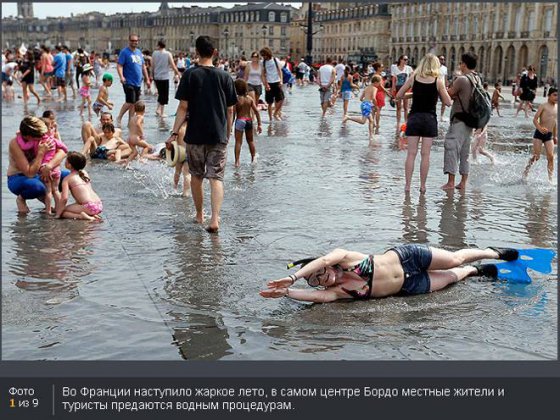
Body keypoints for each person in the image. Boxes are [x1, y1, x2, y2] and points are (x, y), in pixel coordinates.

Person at [260, 246, 519, 302]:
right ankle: (476, 270)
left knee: (453, 259)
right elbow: (316, 298)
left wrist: (293, 276)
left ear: (323, 266)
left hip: (408, 257)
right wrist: (287, 292)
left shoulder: (344, 257)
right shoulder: (338, 292)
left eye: (318, 272)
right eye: (315, 281)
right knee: (454, 276)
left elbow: (326, 257)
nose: (320, 279)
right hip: (409, 286)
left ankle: (491, 253)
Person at [167, 35, 237, 233]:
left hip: (195, 134)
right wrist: (228, 132)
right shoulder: (225, 76)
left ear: (196, 52)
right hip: (218, 134)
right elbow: (231, 109)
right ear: (215, 52)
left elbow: (182, 107)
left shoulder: (190, 75)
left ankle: (199, 215)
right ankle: (215, 219)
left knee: (196, 176)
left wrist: (174, 132)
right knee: (216, 177)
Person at [396, 54, 452, 193]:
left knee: (411, 154)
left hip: (414, 118)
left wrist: (414, 94)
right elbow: (448, 102)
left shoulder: (414, 78)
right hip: (429, 119)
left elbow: (399, 95)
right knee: (425, 155)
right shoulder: (438, 81)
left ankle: (407, 186)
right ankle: (422, 186)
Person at [7, 116, 69, 214]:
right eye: (40, 135)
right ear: (29, 137)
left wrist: (49, 166)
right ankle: (21, 199)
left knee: (69, 176)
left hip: (41, 172)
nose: (44, 136)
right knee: (38, 188)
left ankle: (70, 206)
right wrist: (40, 153)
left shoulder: (43, 137)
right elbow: (29, 173)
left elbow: (63, 152)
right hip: (18, 177)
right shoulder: (15, 143)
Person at [441, 51, 479, 190]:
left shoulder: (462, 79)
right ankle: (463, 182)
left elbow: (448, 95)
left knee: (451, 147)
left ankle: (450, 182)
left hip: (459, 119)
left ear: (464, 64)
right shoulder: (477, 78)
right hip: (471, 121)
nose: (460, 65)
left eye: (461, 63)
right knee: (465, 152)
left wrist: (443, 85)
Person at [56, 152, 103, 221]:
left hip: (89, 207)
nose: (64, 162)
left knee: (62, 211)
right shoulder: (84, 173)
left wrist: (58, 214)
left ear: (69, 165)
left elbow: (64, 199)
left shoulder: (67, 179)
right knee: (69, 207)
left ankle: (82, 216)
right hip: (99, 204)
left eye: (66, 161)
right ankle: (91, 214)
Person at [523, 88, 558, 182]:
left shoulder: (557, 107)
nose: (556, 97)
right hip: (539, 134)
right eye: (554, 95)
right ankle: (526, 171)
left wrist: (555, 136)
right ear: (549, 96)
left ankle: (550, 179)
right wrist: (540, 128)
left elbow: (555, 123)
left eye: (557, 95)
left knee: (550, 157)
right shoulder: (543, 106)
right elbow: (534, 119)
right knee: (536, 157)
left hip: (549, 135)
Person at [116, 34, 151, 126]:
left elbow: (143, 67)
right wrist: (121, 77)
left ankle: (130, 122)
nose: (134, 42)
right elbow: (119, 65)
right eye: (132, 40)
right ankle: (119, 117)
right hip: (128, 81)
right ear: (129, 41)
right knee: (129, 101)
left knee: (134, 104)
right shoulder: (124, 52)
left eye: (136, 41)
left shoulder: (139, 52)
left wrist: (147, 79)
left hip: (138, 82)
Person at [38, 117, 68, 214]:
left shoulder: (39, 142)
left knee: (48, 191)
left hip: (44, 167)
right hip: (55, 168)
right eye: (51, 128)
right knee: (56, 190)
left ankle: (48, 211)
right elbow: (64, 148)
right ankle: (59, 209)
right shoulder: (53, 140)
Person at [233, 79, 262, 167]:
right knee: (250, 141)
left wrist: (230, 126)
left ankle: (237, 162)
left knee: (238, 142)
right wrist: (259, 124)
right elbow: (256, 111)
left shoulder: (236, 99)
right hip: (249, 121)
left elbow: (233, 113)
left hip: (240, 120)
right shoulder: (249, 99)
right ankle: (253, 158)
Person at [342, 74, 379, 141]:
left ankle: (371, 136)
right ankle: (348, 117)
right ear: (376, 82)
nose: (379, 85)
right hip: (367, 105)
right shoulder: (375, 88)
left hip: (364, 104)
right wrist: (375, 106)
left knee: (371, 120)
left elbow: (361, 98)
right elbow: (373, 98)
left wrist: (368, 103)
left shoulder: (366, 88)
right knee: (363, 121)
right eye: (379, 83)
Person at [152, 40, 181, 117]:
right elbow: (173, 65)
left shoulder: (154, 53)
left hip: (156, 76)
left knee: (160, 93)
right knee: (164, 95)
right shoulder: (168, 54)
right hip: (164, 76)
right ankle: (162, 112)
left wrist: (152, 75)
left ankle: (158, 109)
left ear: (159, 45)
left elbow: (153, 65)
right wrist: (178, 74)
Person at [260, 47, 284, 122]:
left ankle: (275, 113)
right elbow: (263, 74)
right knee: (269, 102)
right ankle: (270, 119)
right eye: (262, 55)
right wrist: (265, 84)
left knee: (281, 99)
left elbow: (279, 71)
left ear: (268, 54)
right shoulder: (263, 62)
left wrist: (281, 81)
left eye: (264, 55)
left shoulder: (275, 60)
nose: (264, 57)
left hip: (276, 82)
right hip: (269, 83)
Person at [391, 55, 413, 134]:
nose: (406, 61)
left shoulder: (409, 68)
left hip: (406, 88)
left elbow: (412, 78)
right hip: (398, 88)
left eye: (407, 59)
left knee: (406, 107)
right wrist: (393, 89)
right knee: (399, 107)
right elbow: (393, 80)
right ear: (400, 60)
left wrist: (411, 88)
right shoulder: (395, 68)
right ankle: (398, 122)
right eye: (405, 59)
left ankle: (406, 122)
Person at [439, 55, 449, 120]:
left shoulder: (445, 68)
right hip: (435, 86)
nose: (442, 60)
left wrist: (446, 86)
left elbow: (445, 78)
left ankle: (441, 116)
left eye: (443, 59)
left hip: (442, 87)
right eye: (441, 59)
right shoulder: (434, 67)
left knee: (443, 102)